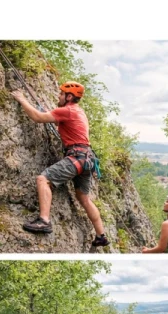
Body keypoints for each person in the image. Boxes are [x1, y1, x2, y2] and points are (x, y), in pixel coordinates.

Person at [11, 82, 109, 248]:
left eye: (61, 94)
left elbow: (38, 118)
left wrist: (22, 99)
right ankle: (101, 236)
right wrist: (49, 111)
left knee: (43, 179)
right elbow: (59, 122)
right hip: (87, 159)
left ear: (69, 97)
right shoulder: (79, 112)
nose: (59, 96)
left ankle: (44, 221)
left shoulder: (67, 110)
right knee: (84, 198)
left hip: (77, 157)